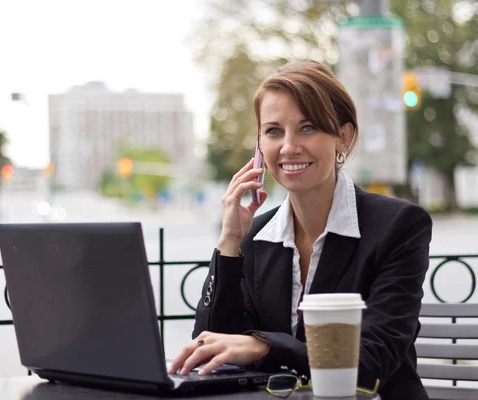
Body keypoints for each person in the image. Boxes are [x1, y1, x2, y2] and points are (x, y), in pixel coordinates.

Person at [168, 60, 432, 399]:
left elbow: (368, 364)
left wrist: (263, 347)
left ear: (343, 137)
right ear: (260, 146)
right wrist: (230, 242)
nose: (289, 146)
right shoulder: (257, 234)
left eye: (307, 128)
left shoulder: (398, 226)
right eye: (274, 131)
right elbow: (212, 349)